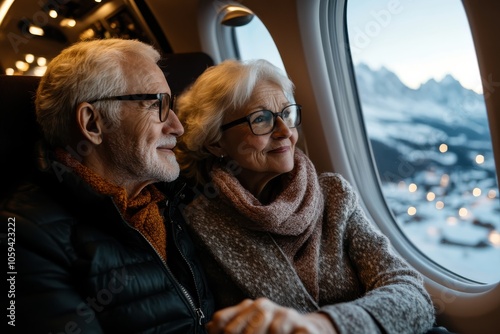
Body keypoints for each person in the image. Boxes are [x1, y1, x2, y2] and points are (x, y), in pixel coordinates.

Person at [174, 59, 436, 333]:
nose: (286, 132)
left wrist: (325, 326)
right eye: (261, 119)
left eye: (286, 114)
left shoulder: (334, 195)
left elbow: (412, 294)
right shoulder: (196, 225)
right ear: (216, 141)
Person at [0, 39, 214, 333]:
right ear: (92, 124)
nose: (177, 126)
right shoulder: (23, 235)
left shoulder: (171, 199)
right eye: (156, 105)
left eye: (171, 104)